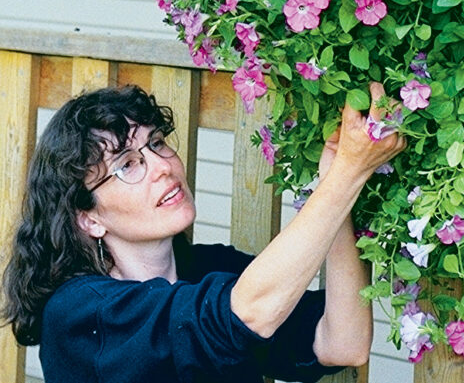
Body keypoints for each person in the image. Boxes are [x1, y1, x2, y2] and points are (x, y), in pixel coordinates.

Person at [1, 80, 405, 383]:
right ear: (88, 218)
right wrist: (349, 174)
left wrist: (334, 183)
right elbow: (247, 313)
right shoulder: (82, 312)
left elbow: (343, 343)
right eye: (126, 165)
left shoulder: (211, 269)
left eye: (156, 143)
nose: (161, 166)